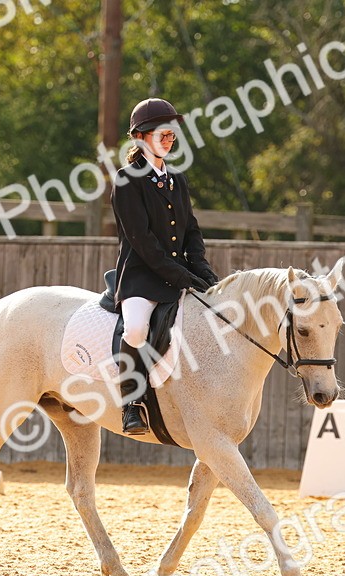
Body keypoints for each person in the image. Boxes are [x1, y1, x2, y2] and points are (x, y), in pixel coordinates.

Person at [110, 98, 219, 435]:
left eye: (171, 134)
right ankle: (131, 403)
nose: (169, 139)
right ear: (141, 137)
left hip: (179, 276)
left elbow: (191, 230)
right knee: (137, 329)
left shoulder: (176, 180)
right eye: (162, 133)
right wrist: (182, 276)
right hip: (141, 279)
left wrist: (204, 274)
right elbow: (142, 241)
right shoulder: (127, 180)